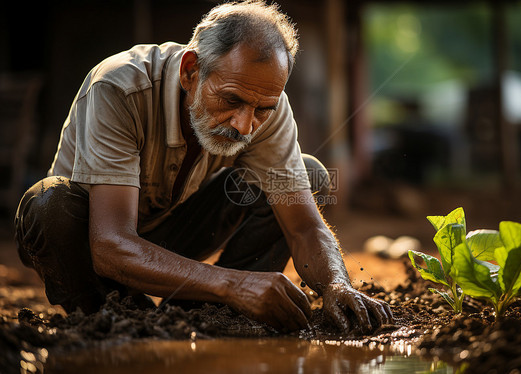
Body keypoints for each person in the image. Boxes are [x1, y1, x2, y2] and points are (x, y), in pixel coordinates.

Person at [14, 0, 392, 333]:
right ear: (190, 71)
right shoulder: (118, 88)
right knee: (49, 205)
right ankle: (110, 316)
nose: (243, 125)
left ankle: (200, 314)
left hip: (170, 235)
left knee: (307, 174)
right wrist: (234, 284)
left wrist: (337, 285)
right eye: (231, 100)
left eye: (262, 109)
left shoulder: (264, 104)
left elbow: (304, 227)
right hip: (90, 242)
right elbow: (110, 245)